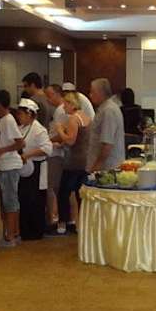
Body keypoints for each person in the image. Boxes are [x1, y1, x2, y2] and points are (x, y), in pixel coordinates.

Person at [0, 89, 25, 247]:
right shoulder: (3, 120)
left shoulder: (8, 120)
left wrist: (0, 152)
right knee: (10, 200)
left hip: (10, 165)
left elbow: (20, 143)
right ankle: (14, 233)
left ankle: (11, 236)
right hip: (5, 165)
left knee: (10, 201)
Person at [52, 90, 91, 234]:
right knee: (81, 194)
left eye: (65, 104)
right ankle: (83, 223)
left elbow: (70, 140)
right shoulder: (86, 117)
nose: (63, 107)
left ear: (71, 104)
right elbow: (80, 139)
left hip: (74, 162)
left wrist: (59, 130)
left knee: (63, 192)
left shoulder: (73, 119)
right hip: (85, 160)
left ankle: (62, 223)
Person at [14, 98, 52, 241]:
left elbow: (47, 148)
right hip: (24, 167)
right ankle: (25, 230)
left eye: (21, 114)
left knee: (35, 200)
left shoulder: (38, 129)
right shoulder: (21, 128)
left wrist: (28, 155)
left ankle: (36, 231)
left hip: (36, 167)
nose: (19, 117)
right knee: (24, 199)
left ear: (29, 114)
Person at [43, 84, 69, 228]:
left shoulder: (60, 110)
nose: (48, 99)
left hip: (56, 153)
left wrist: (47, 141)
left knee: (53, 187)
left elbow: (61, 134)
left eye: (50, 95)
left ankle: (55, 217)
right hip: (56, 151)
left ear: (58, 94)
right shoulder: (59, 110)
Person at [88, 78, 126, 171]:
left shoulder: (108, 110)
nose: (90, 95)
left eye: (92, 92)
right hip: (102, 166)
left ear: (101, 93)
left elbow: (107, 143)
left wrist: (96, 167)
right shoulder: (104, 108)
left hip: (107, 168)